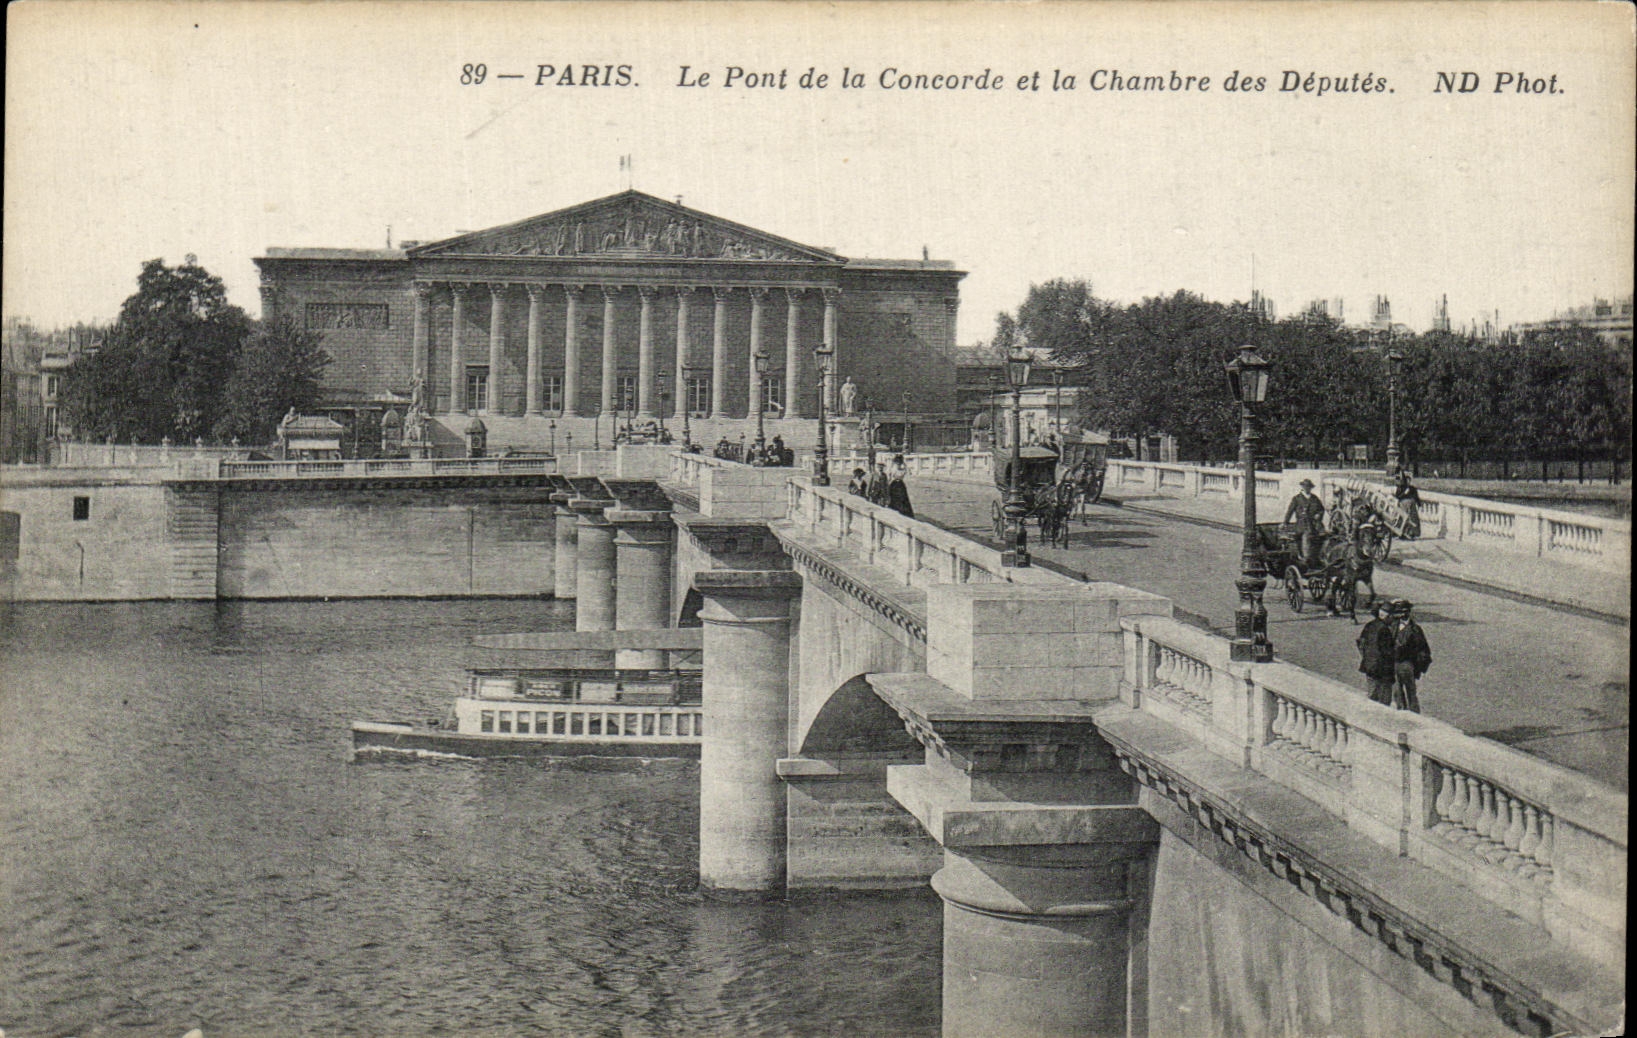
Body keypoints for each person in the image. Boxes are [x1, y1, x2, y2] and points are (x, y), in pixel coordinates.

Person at [1389, 599, 1431, 712]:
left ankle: (1414, 713)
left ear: (1409, 612)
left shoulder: (1415, 629)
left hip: (1407, 664)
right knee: (1397, 692)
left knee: (1411, 692)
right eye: (1400, 611)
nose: (1402, 614)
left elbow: (1423, 649)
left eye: (1405, 611)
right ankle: (1401, 712)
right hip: (1393, 663)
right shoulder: (1393, 625)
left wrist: (1418, 666)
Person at [1356, 602, 1397, 705]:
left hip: (1369, 667)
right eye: (1393, 617)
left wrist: (1366, 657)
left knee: (1372, 695)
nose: (1393, 620)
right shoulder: (1384, 630)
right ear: (1388, 616)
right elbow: (1387, 652)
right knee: (1384, 701)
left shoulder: (1370, 625)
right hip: (1382, 671)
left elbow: (1360, 643)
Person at [1283, 479, 1326, 568]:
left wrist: (1319, 514)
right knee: (1306, 536)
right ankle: (1306, 558)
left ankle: (1319, 557)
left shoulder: (1315, 498)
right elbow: (1290, 511)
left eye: (1309, 487)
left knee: (1324, 537)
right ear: (1302, 487)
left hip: (1314, 524)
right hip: (1302, 525)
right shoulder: (1297, 499)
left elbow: (1321, 509)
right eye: (1305, 487)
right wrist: (1285, 522)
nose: (1307, 488)